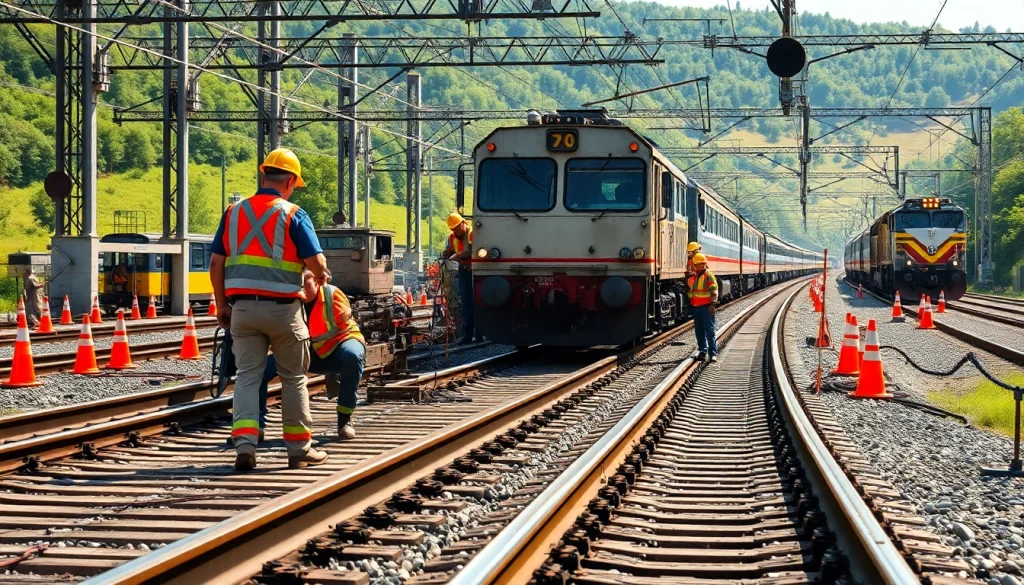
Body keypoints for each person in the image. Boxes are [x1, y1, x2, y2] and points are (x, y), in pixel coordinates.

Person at [209, 147, 331, 472]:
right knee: (293, 379)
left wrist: (222, 303)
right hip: (284, 311)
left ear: (264, 176)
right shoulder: (294, 214)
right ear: (290, 182)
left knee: (248, 377)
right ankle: (299, 449)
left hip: (243, 311)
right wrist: (320, 276)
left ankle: (245, 445)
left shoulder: (233, 213)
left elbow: (216, 262)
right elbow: (316, 262)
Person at [220, 270, 365, 443]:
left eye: (304, 285)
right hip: (298, 351)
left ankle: (344, 418)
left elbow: (341, 328)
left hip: (334, 348)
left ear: (317, 282)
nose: (300, 289)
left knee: (353, 356)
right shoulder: (287, 299)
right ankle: (255, 428)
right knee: (258, 371)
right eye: (296, 285)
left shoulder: (333, 295)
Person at [442, 211, 480, 344]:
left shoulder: (472, 233)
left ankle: (479, 334)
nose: (455, 231)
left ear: (463, 223)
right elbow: (451, 250)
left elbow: (475, 250)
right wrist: (446, 253)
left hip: (476, 272)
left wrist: (459, 255)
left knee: (476, 303)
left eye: (457, 228)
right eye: (452, 229)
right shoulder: (452, 238)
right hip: (464, 272)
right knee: (466, 304)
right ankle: (468, 335)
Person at [687, 253, 719, 363]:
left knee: (710, 330)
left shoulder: (709, 276)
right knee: (699, 331)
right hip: (697, 308)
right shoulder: (694, 277)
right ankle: (702, 351)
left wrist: (713, 304)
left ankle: (713, 353)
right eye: (698, 264)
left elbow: (714, 290)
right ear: (695, 265)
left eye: (702, 264)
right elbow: (692, 292)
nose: (700, 266)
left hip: (706, 307)